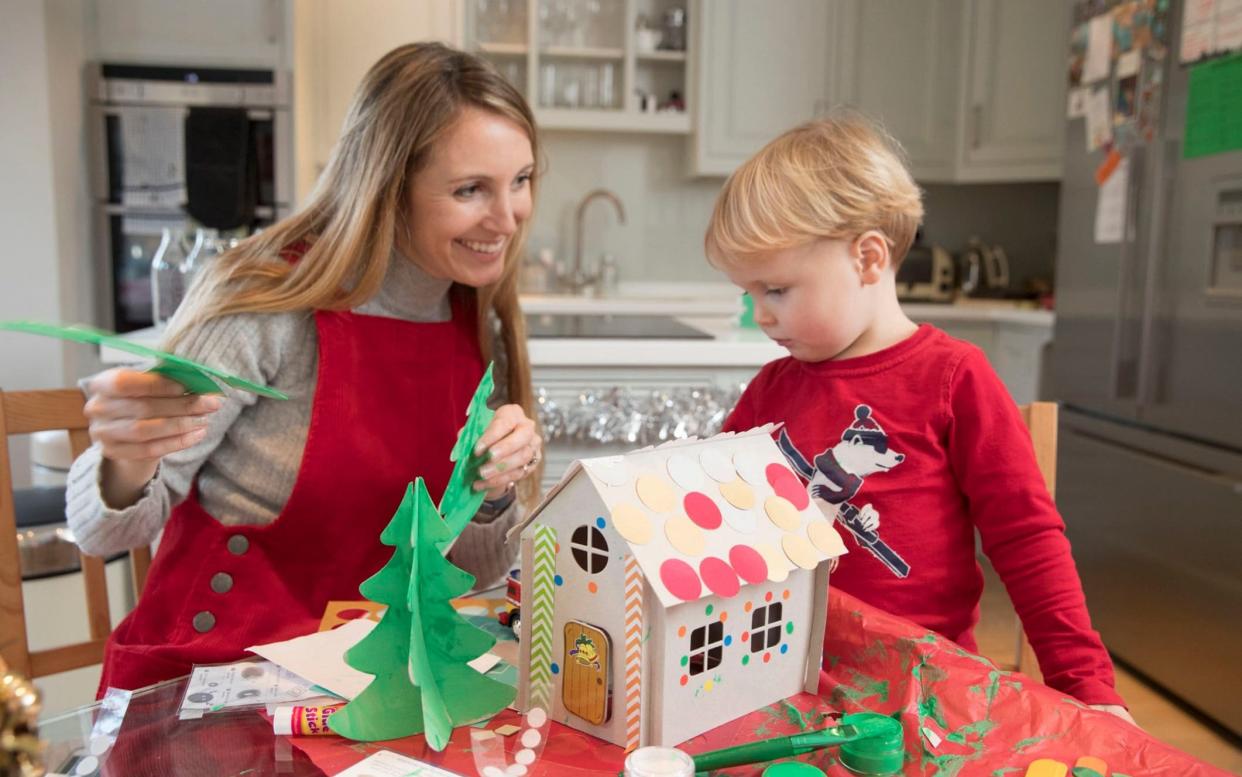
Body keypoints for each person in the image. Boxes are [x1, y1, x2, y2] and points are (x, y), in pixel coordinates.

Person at [66, 42, 545, 692]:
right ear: (388, 187)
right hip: (215, 679)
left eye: (521, 181)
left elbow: (476, 568)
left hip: (374, 686)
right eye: (470, 190)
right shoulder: (267, 303)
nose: (508, 217)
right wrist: (125, 456)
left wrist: (492, 495)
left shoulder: (473, 315)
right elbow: (105, 531)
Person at [704, 114, 1134, 720]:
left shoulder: (954, 378)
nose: (760, 315)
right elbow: (714, 523)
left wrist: (1086, 685)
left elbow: (1027, 541)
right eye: (748, 294)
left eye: (776, 290)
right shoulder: (771, 389)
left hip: (927, 691)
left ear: (868, 259)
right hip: (787, 680)